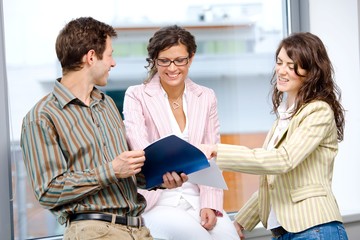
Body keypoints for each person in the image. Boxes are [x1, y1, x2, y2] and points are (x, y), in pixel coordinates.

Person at [20, 17, 187, 240]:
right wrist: (111, 171)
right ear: (91, 57)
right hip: (93, 231)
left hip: (138, 229)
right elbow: (48, 192)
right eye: (109, 54)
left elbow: (125, 172)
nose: (113, 63)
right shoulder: (42, 116)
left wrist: (160, 179)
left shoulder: (106, 105)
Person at [199, 32, 349, 240]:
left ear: (311, 71)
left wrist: (219, 151)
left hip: (315, 229)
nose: (282, 70)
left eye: (292, 65)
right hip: (284, 233)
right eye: (279, 63)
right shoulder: (282, 120)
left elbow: (283, 160)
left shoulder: (318, 111)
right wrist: (241, 220)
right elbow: (273, 182)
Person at [123, 25, 239, 240]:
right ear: (154, 61)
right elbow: (141, 149)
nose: (172, 68)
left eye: (179, 60)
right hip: (158, 199)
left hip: (198, 196)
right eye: (164, 61)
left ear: (191, 58)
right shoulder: (136, 95)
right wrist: (161, 177)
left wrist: (210, 205)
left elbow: (212, 156)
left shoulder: (206, 97)